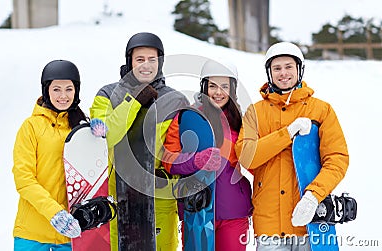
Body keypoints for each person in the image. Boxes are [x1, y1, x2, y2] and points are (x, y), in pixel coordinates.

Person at [235, 42, 349, 250]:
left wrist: (313, 196)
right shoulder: (255, 113)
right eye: (276, 68)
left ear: (299, 69)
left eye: (289, 66)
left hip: (311, 221)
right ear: (269, 73)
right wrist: (286, 133)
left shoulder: (321, 110)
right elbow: (246, 156)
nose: (283, 73)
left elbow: (337, 159)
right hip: (269, 226)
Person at [90, 32, 189, 250]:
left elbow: (180, 153)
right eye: (139, 59)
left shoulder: (176, 100)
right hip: (119, 202)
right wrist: (133, 101)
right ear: (130, 62)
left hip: (159, 202)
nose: (146, 65)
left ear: (160, 62)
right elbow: (108, 138)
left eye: (152, 59)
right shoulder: (107, 94)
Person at [12, 60, 105, 250]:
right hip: (32, 235)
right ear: (46, 90)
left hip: (70, 235)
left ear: (76, 91)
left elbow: (97, 175)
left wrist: (101, 140)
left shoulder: (81, 129)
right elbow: (24, 180)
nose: (63, 96)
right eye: (56, 89)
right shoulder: (31, 127)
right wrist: (55, 213)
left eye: (69, 89)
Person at [162, 59, 253, 251]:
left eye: (224, 86)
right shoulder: (188, 117)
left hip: (234, 213)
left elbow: (254, 161)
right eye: (213, 86)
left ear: (233, 89)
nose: (218, 92)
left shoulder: (242, 121)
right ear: (204, 87)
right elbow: (168, 161)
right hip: (197, 211)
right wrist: (196, 161)